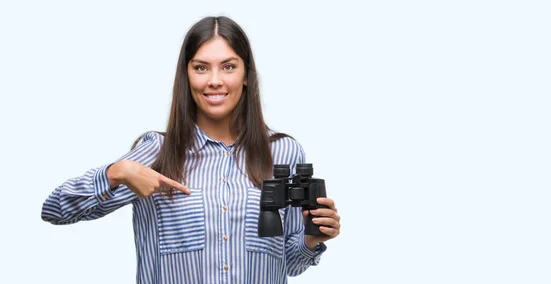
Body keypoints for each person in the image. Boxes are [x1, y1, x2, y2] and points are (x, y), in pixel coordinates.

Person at [41, 16, 341, 284]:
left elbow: (288, 264)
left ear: (246, 75)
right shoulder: (157, 153)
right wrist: (117, 172)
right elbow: (55, 210)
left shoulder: (283, 153)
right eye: (201, 68)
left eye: (228, 67)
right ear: (186, 76)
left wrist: (311, 239)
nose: (214, 80)